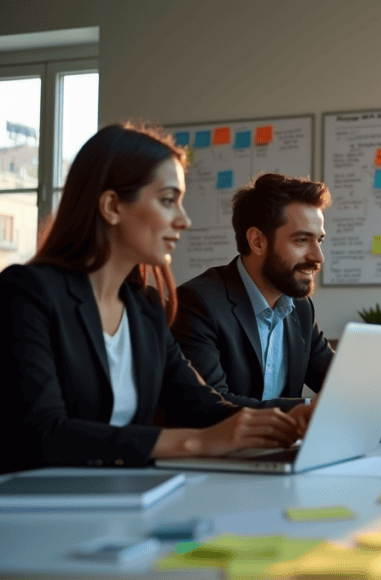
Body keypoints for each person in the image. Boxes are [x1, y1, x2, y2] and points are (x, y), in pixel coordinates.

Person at [0, 124, 304, 474]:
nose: (184, 220)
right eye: (167, 200)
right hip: (35, 507)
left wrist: (295, 415)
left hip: (124, 497)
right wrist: (194, 443)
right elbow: (42, 432)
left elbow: (203, 407)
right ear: (112, 206)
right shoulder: (26, 292)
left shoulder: (144, 307)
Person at [170, 173, 334, 413]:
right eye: (301, 240)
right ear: (257, 242)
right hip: (215, 450)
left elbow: (339, 381)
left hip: (280, 448)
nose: (318, 257)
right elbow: (210, 406)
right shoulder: (197, 303)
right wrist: (307, 408)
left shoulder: (300, 308)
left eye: (319, 241)